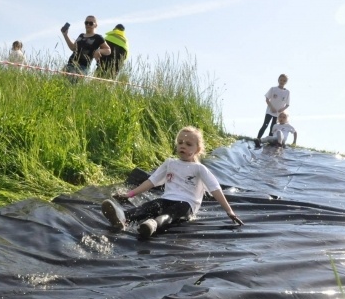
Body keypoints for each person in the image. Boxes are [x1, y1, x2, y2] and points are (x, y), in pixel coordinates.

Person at [100, 126, 244, 238]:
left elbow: (215, 189)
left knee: (170, 215)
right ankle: (122, 218)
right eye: (180, 142)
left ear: (197, 149)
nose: (183, 146)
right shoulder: (170, 163)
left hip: (187, 205)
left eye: (188, 144)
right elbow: (151, 181)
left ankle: (152, 225)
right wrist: (130, 194)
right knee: (149, 206)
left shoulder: (199, 169)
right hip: (166, 199)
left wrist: (229, 211)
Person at [256, 74, 290, 139]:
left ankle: (269, 141)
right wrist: (271, 107)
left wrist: (282, 109)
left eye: (284, 81)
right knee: (265, 125)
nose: (282, 82)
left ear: (286, 82)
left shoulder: (287, 92)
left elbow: (287, 104)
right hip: (270, 111)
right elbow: (267, 99)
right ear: (278, 80)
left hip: (278, 114)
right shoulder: (273, 89)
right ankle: (258, 138)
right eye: (281, 80)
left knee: (273, 128)